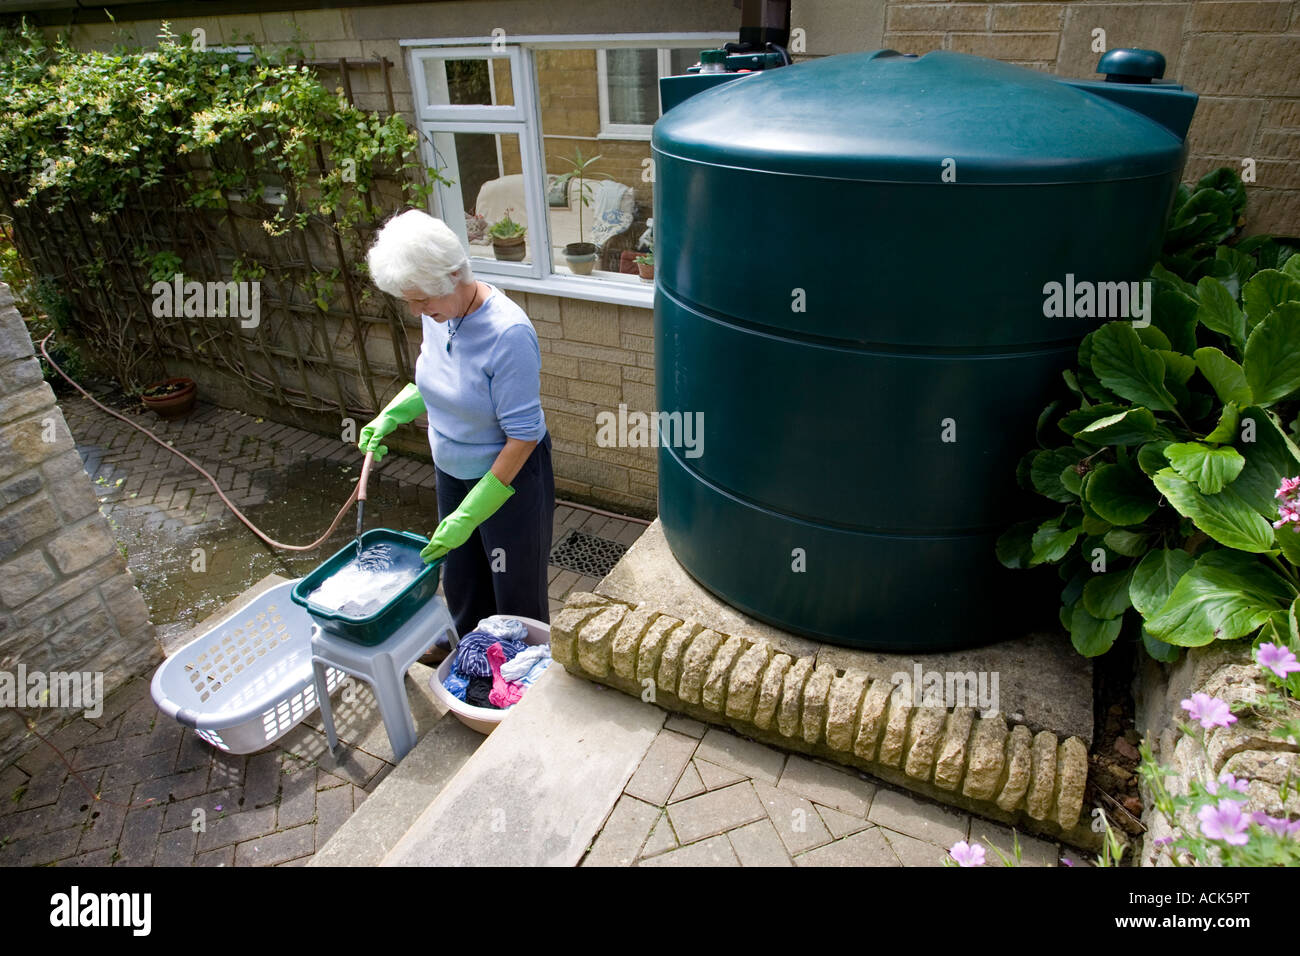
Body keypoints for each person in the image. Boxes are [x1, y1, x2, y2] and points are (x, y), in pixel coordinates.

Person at [360, 209, 554, 659]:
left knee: (513, 584)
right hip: (452, 467)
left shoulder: (509, 334)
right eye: (409, 300)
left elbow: (522, 436)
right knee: (462, 573)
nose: (415, 310)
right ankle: (468, 647)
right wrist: (390, 415)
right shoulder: (438, 310)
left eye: (420, 298)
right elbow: (437, 381)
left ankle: (520, 668)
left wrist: (472, 514)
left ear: (453, 274)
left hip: (510, 477)